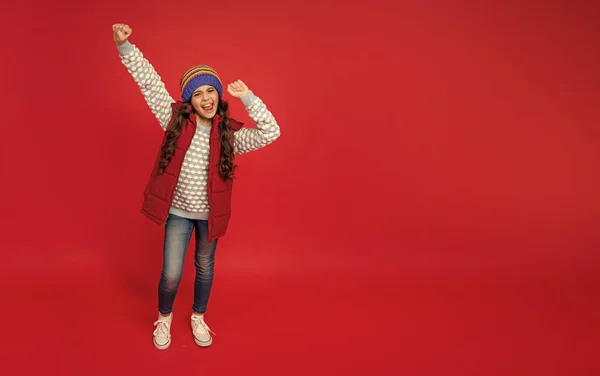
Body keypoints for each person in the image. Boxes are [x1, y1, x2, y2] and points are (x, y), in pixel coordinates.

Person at [112, 23, 281, 350]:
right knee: (172, 273)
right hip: (177, 213)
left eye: (210, 90)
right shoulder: (173, 119)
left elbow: (270, 131)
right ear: (189, 100)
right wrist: (125, 47)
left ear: (219, 94)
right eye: (197, 93)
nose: (206, 98)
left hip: (210, 216)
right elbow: (149, 83)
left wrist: (247, 95)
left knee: (204, 270)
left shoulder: (230, 137)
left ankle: (198, 317)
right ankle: (164, 319)